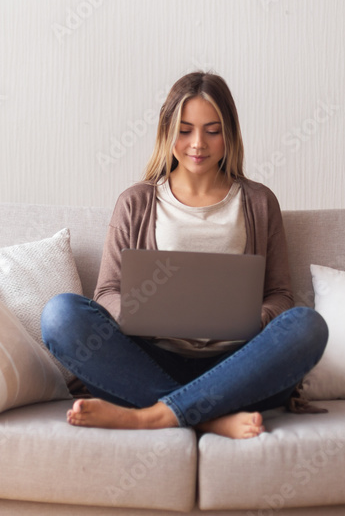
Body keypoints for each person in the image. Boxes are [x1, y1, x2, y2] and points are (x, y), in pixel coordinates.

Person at [40, 72, 328, 440]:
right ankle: (207, 418)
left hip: (238, 367)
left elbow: (281, 297)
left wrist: (255, 316)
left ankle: (150, 416)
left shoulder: (259, 202)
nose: (198, 144)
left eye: (212, 130)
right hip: (149, 361)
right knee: (61, 315)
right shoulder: (136, 201)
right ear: (167, 132)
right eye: (185, 129)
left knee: (307, 326)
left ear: (230, 134)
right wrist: (140, 313)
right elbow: (107, 293)